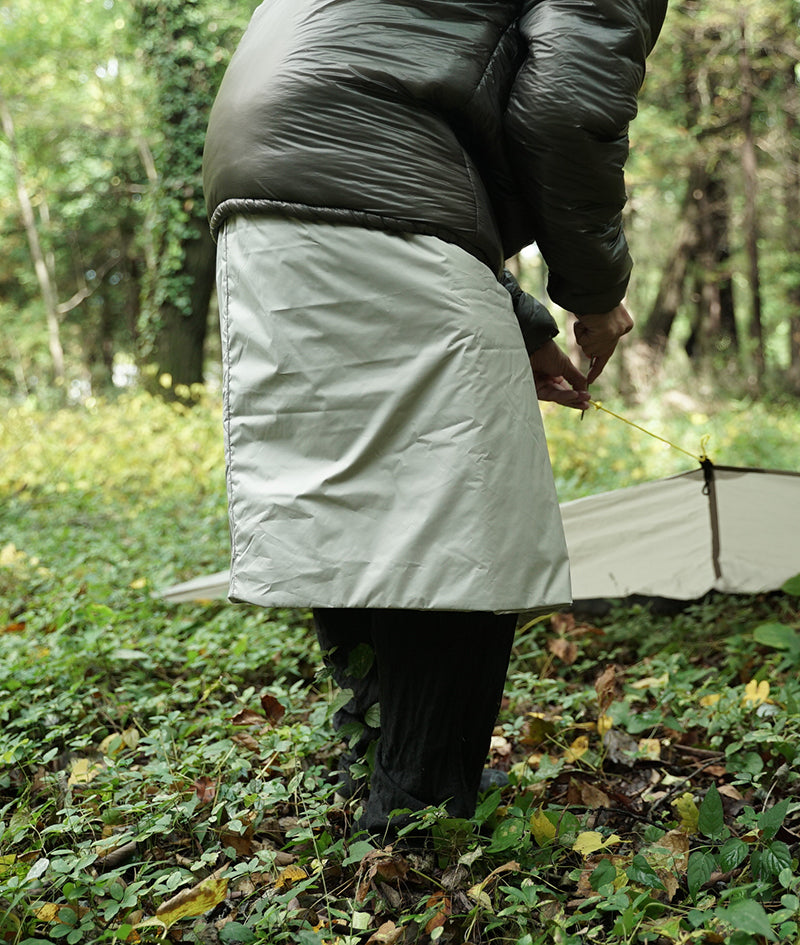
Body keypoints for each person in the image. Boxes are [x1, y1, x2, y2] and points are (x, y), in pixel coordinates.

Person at [202, 0, 667, 842]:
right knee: (464, 519)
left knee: (352, 494)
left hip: (257, 192)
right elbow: (565, 109)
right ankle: (416, 814)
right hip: (382, 176)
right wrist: (593, 295)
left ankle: (383, 756)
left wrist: (519, 324)